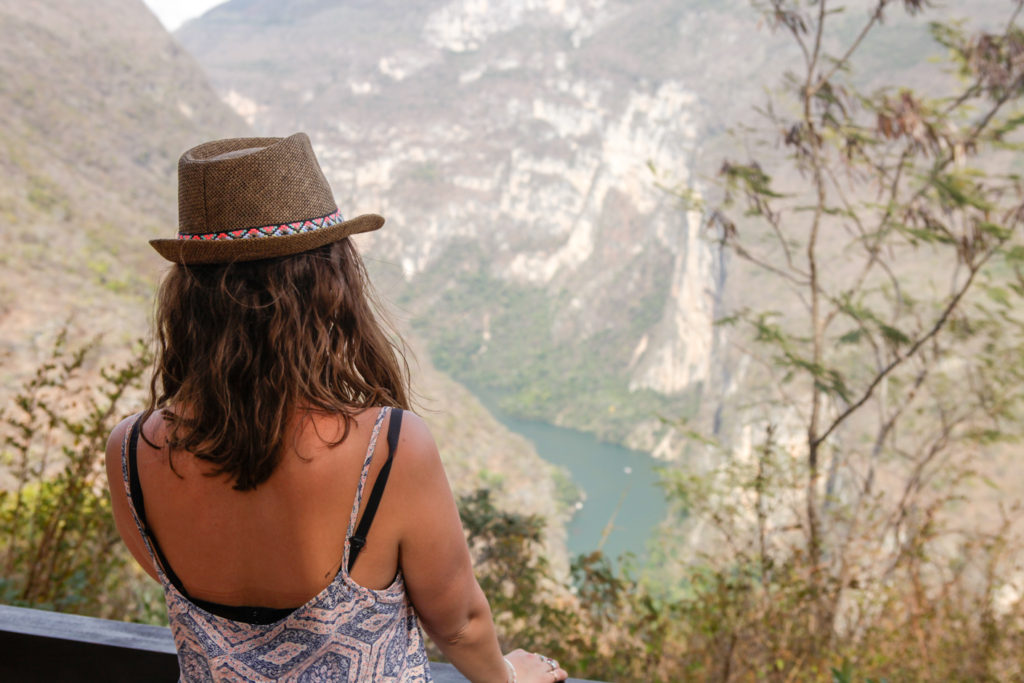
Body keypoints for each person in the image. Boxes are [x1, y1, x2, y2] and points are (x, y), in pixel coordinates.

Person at [104, 133, 570, 683]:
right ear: (328, 285)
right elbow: (459, 624)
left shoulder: (133, 451)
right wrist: (512, 676)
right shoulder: (389, 447)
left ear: (188, 298)